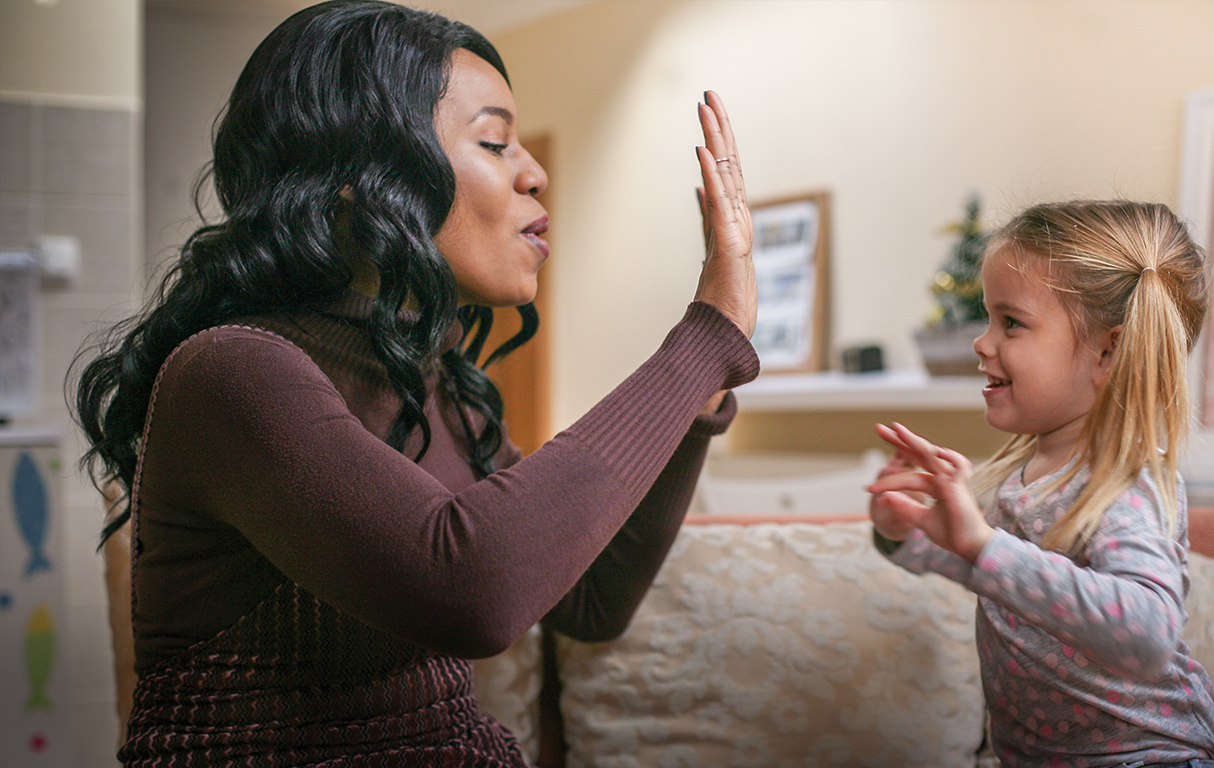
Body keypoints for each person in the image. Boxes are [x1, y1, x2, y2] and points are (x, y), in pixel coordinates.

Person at [71, 1, 757, 765]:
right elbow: (469, 588)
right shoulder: (231, 374)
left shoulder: (447, 395)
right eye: (494, 141)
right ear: (355, 181)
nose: (535, 171)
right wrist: (705, 339)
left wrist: (700, 393)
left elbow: (594, 605)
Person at [867, 200, 1214, 767]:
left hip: (1148, 755)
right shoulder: (1025, 475)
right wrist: (911, 531)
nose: (981, 343)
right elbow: (1008, 581)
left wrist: (984, 545)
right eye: (989, 319)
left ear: (1106, 352)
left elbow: (1149, 633)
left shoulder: (1124, 481)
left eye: (1011, 322)